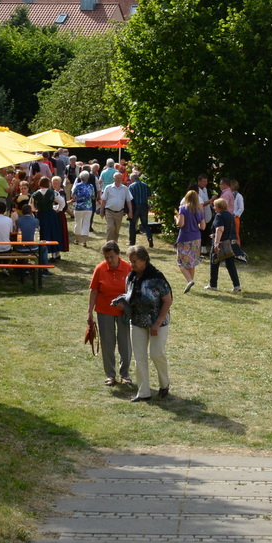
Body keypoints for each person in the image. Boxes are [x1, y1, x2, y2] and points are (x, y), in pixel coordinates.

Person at [124, 244, 174, 402]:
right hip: (138, 321)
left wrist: (157, 323)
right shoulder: (131, 277)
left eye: (135, 261)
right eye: (130, 261)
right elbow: (129, 297)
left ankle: (164, 384)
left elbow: (168, 300)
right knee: (139, 357)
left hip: (157, 322)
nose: (132, 264)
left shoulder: (157, 278)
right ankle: (143, 392)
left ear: (145, 260)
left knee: (156, 354)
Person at [87, 242, 133, 386]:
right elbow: (94, 291)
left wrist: (126, 306)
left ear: (118, 254)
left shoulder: (128, 268)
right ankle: (110, 375)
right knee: (107, 342)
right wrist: (89, 312)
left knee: (124, 342)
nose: (109, 260)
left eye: (112, 257)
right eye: (107, 257)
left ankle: (125, 375)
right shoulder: (100, 269)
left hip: (123, 311)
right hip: (104, 310)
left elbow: (133, 290)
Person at [174, 189, 207, 292]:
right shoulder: (199, 210)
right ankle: (190, 281)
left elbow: (181, 224)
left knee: (181, 263)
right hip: (196, 238)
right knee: (191, 262)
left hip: (185, 238)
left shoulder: (183, 209)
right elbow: (203, 227)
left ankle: (189, 280)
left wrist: (176, 218)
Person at [208, 196, 241, 291]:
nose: (214, 208)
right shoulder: (230, 215)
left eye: (214, 206)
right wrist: (214, 235)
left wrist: (216, 244)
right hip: (230, 243)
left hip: (221, 243)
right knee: (231, 265)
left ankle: (213, 285)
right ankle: (236, 285)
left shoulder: (219, 215)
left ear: (219, 207)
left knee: (214, 263)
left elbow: (220, 229)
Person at [101, 171, 133, 243]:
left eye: (120, 178)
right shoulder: (108, 187)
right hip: (109, 211)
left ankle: (114, 244)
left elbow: (128, 200)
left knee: (116, 230)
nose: (118, 179)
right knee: (111, 228)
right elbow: (104, 199)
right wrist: (101, 210)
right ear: (113, 179)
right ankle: (109, 244)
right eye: (117, 178)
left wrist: (130, 211)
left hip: (119, 212)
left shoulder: (125, 188)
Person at [127, 169, 152, 245]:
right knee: (145, 224)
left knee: (132, 224)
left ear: (132, 179)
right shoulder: (145, 185)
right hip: (144, 206)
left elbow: (129, 198)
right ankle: (149, 237)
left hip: (135, 206)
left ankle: (132, 241)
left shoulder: (131, 186)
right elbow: (149, 197)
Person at [72, 171, 97, 241]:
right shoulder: (91, 186)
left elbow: (73, 196)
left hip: (78, 207)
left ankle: (76, 239)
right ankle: (84, 241)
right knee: (86, 223)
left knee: (78, 223)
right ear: (87, 178)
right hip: (88, 207)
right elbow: (93, 197)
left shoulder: (77, 185)